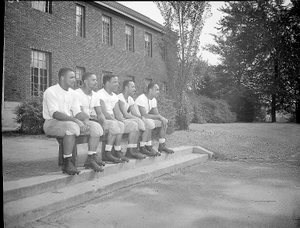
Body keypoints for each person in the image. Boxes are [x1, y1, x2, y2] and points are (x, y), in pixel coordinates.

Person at [43, 68, 103, 175]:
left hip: (69, 122)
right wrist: (76, 120)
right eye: (71, 77)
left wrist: (86, 119)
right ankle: (67, 162)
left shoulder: (73, 93)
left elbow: (77, 112)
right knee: (72, 127)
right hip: (52, 123)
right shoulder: (51, 91)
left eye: (74, 77)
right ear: (62, 78)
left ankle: (90, 159)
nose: (74, 80)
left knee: (96, 127)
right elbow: (55, 114)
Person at [97, 74, 138, 163]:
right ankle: (107, 153)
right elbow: (104, 113)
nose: (117, 84)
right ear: (107, 83)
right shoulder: (100, 94)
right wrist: (116, 120)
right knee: (116, 124)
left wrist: (124, 120)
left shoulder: (115, 96)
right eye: (115, 82)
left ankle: (119, 151)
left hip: (112, 119)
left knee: (133, 125)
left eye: (117, 82)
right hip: (101, 120)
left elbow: (118, 113)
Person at [75, 72, 107, 170]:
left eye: (96, 80)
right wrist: (89, 121)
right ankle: (90, 159)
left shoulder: (95, 95)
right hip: (78, 120)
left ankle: (93, 156)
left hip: (88, 120)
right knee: (97, 129)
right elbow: (79, 112)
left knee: (104, 127)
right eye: (93, 80)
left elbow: (100, 113)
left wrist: (104, 123)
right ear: (85, 81)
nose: (96, 82)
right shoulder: (77, 93)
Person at [135, 83, 174, 154]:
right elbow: (144, 115)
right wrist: (158, 117)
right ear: (150, 90)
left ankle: (161, 145)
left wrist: (162, 118)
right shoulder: (141, 98)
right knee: (149, 123)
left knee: (163, 122)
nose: (158, 92)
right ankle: (143, 147)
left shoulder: (153, 100)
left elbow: (156, 114)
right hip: (137, 119)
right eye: (157, 90)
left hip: (144, 119)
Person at [118, 80, 148, 159]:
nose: (135, 89)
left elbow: (134, 113)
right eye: (133, 87)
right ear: (126, 88)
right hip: (119, 120)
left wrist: (141, 117)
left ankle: (134, 149)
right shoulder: (120, 98)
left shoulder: (130, 99)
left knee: (138, 123)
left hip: (125, 120)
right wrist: (138, 120)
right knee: (135, 124)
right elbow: (125, 114)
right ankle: (130, 151)